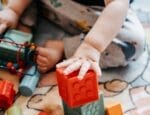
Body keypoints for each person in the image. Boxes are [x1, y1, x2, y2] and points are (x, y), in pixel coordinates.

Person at [0, 0, 146, 82]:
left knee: (133, 43)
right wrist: (14, 10)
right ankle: (22, 25)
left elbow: (117, 5)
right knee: (11, 15)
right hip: (51, 4)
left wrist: (91, 47)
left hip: (99, 12)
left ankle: (63, 48)